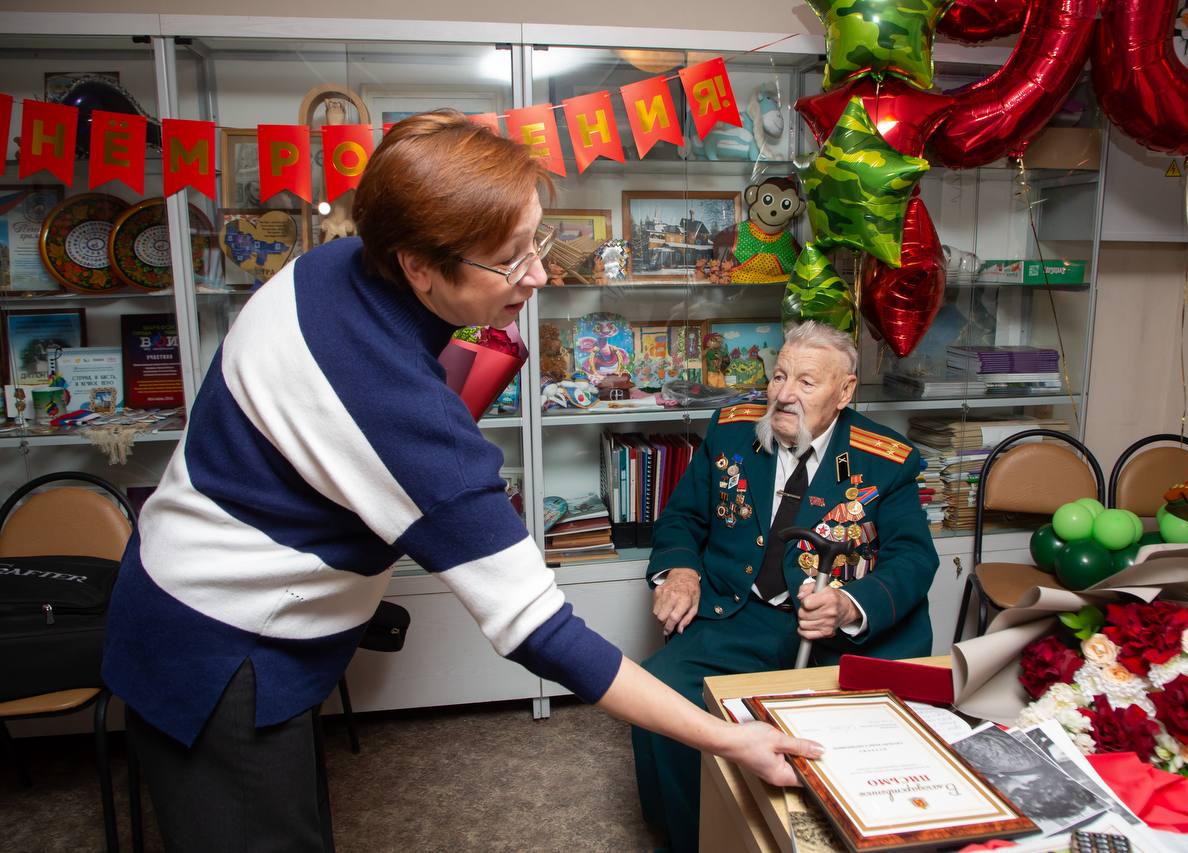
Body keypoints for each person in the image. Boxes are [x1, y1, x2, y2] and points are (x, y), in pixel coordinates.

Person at [101, 110, 821, 851]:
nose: (540, 274)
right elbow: (539, 628)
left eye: (537, 241)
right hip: (217, 646)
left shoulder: (334, 262)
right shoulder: (399, 413)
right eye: (509, 261)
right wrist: (727, 738)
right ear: (418, 264)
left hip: (190, 580)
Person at [632, 320, 939, 851]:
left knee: (846, 751)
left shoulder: (885, 459)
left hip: (832, 634)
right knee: (658, 696)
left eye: (806, 381)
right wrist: (681, 572)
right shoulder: (730, 431)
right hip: (739, 614)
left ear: (845, 391)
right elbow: (682, 518)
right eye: (779, 376)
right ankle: (690, 837)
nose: (784, 394)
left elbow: (913, 558)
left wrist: (849, 605)